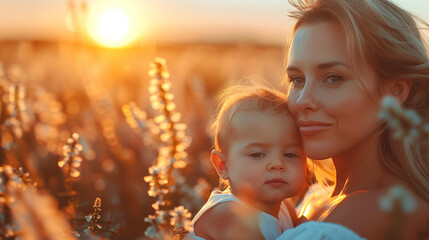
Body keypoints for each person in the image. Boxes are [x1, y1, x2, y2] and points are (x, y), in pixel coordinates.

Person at [278, 0, 429, 239]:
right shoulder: (319, 198)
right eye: (297, 79)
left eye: (332, 78)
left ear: (395, 90)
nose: (303, 100)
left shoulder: (378, 212)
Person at [186, 83, 307, 240]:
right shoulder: (228, 212)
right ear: (222, 166)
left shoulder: (286, 210)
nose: (277, 164)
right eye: (257, 154)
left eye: (290, 154)